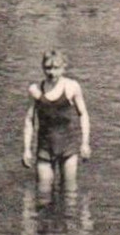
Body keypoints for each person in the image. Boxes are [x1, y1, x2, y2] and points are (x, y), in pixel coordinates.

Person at [23, 50, 91, 191]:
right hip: (45, 148)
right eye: (48, 68)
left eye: (56, 68)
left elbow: (83, 114)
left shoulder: (72, 87)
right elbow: (29, 120)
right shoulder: (35, 90)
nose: (51, 73)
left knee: (70, 192)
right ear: (42, 67)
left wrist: (85, 143)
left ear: (63, 68)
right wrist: (26, 149)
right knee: (43, 192)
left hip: (68, 148)